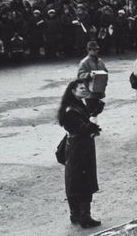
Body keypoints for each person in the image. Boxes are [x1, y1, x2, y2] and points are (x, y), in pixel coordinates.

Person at [57, 80, 102, 228]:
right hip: (79, 148)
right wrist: (93, 126)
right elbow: (83, 128)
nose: (84, 90)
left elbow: (88, 116)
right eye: (81, 88)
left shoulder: (75, 105)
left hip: (76, 147)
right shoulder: (72, 110)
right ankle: (84, 216)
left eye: (85, 88)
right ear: (73, 91)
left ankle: (75, 214)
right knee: (83, 180)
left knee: (74, 180)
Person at [76, 41, 108, 116]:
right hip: (89, 92)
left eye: (97, 49)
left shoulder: (100, 61)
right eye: (93, 49)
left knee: (98, 109)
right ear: (89, 50)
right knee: (92, 112)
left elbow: (105, 71)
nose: (96, 51)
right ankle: (90, 126)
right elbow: (80, 75)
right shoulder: (84, 62)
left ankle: (92, 125)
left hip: (100, 90)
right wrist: (88, 75)